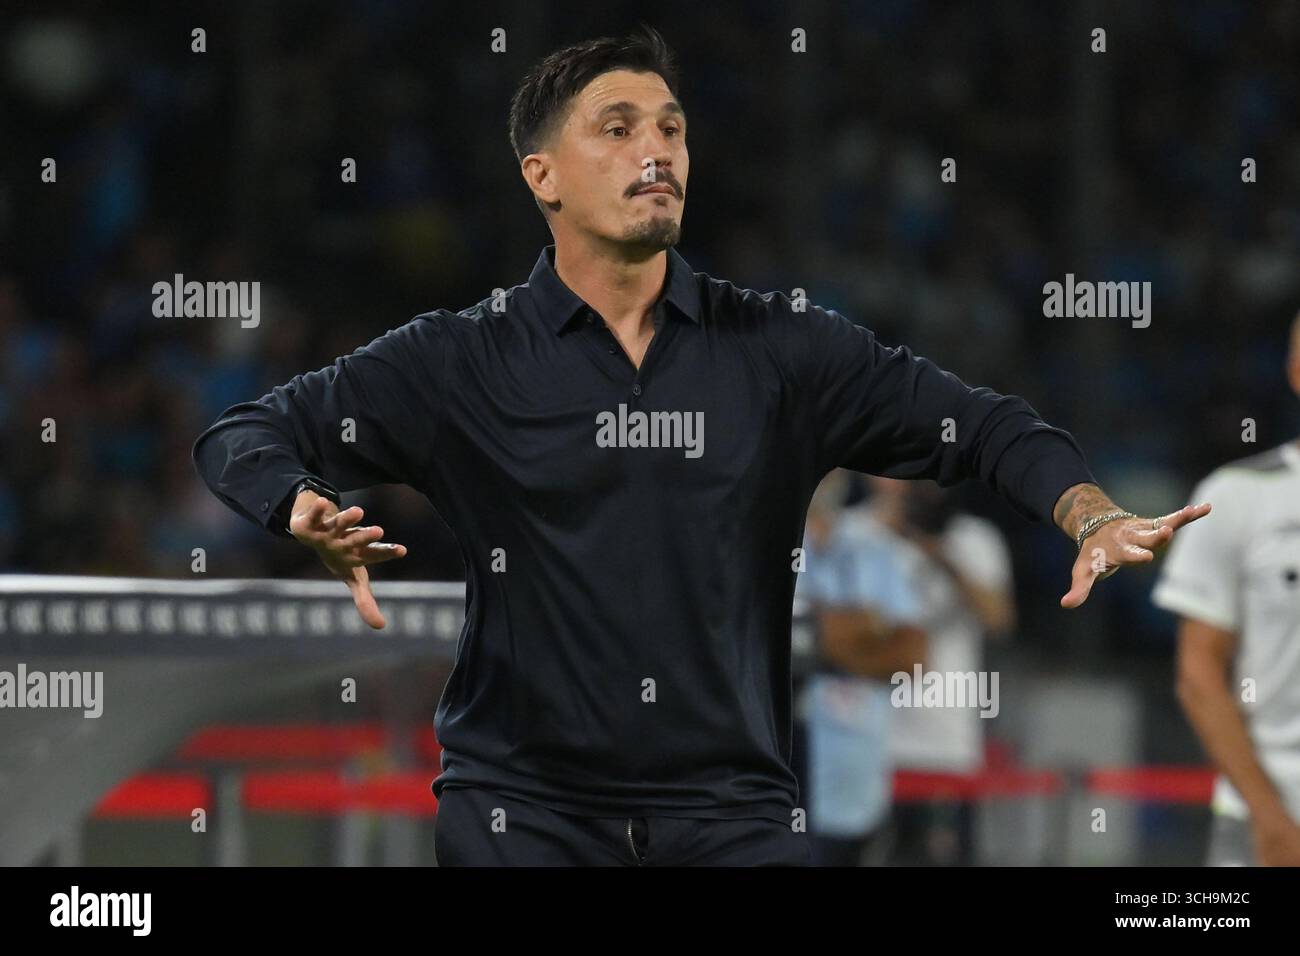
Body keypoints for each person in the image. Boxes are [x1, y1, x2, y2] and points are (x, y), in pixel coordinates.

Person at [192, 26, 1209, 866]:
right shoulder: (458, 359)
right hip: (522, 815)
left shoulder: (780, 351)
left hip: (734, 815)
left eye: (672, 128)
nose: (659, 150)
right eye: (620, 127)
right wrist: (295, 503)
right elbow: (245, 432)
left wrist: (1090, 510)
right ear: (540, 174)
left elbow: (985, 425)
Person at [1152, 311, 1300, 867]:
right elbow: (1198, 675)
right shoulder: (1236, 497)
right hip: (1266, 823)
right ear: (1295, 368)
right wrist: (1271, 819)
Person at [870, 477, 1015, 865]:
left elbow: (998, 618)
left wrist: (938, 554)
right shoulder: (860, 533)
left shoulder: (974, 538)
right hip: (872, 745)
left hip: (947, 747)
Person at [796, 470, 926, 866]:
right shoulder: (753, 544)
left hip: (855, 788)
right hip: (773, 787)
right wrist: (864, 626)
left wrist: (818, 638)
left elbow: (912, 656)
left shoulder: (872, 548)